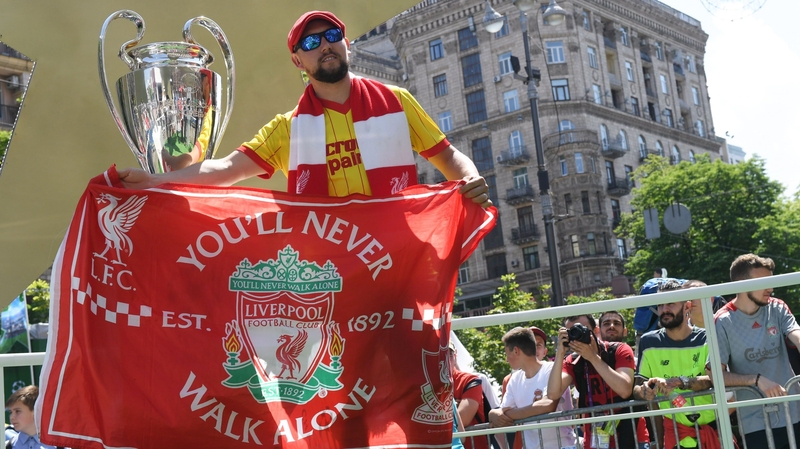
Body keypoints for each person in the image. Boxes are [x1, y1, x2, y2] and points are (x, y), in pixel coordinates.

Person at [118, 10, 491, 210]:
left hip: (398, 257)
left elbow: (448, 157)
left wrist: (470, 178)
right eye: (311, 42)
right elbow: (227, 169)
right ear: (298, 60)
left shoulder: (397, 101)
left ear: (346, 44)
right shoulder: (288, 129)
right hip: (330, 271)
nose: (325, 45)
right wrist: (153, 181)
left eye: (332, 36)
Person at [712, 254, 800, 449]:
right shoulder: (722, 320)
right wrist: (756, 380)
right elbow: (715, 374)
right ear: (742, 284)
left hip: (795, 413)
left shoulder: (777, 306)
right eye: (764, 283)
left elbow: (796, 334)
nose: (771, 288)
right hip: (755, 423)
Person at [633, 279, 720, 449]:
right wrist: (645, 390)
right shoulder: (648, 341)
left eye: (671, 303)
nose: (664, 309)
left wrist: (679, 382)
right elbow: (637, 387)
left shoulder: (708, 336)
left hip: (714, 429)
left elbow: (715, 379)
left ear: (687, 306)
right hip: (674, 434)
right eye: (660, 305)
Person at [548, 314, 638, 449]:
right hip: (596, 440)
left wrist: (592, 357)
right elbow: (553, 394)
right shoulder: (572, 361)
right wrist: (560, 353)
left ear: (596, 331)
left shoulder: (619, 349)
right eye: (571, 332)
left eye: (581, 329)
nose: (576, 336)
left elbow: (625, 390)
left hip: (630, 434)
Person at [490, 327, 576, 449]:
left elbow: (548, 405)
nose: (506, 359)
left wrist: (503, 415)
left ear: (516, 351)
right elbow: (502, 415)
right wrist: (493, 413)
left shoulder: (552, 369)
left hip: (563, 446)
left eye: (507, 353)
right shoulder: (514, 379)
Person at [598, 311, 651, 449]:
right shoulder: (585, 359)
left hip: (634, 433)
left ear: (625, 331)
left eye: (616, 323)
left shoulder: (635, 358)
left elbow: (625, 390)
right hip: (599, 437)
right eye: (606, 323)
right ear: (598, 330)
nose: (611, 326)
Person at [450, 343, 490, 449]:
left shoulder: (471, 380)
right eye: (440, 354)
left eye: (449, 354)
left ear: (455, 355)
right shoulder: (424, 384)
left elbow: (462, 421)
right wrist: (454, 406)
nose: (444, 359)